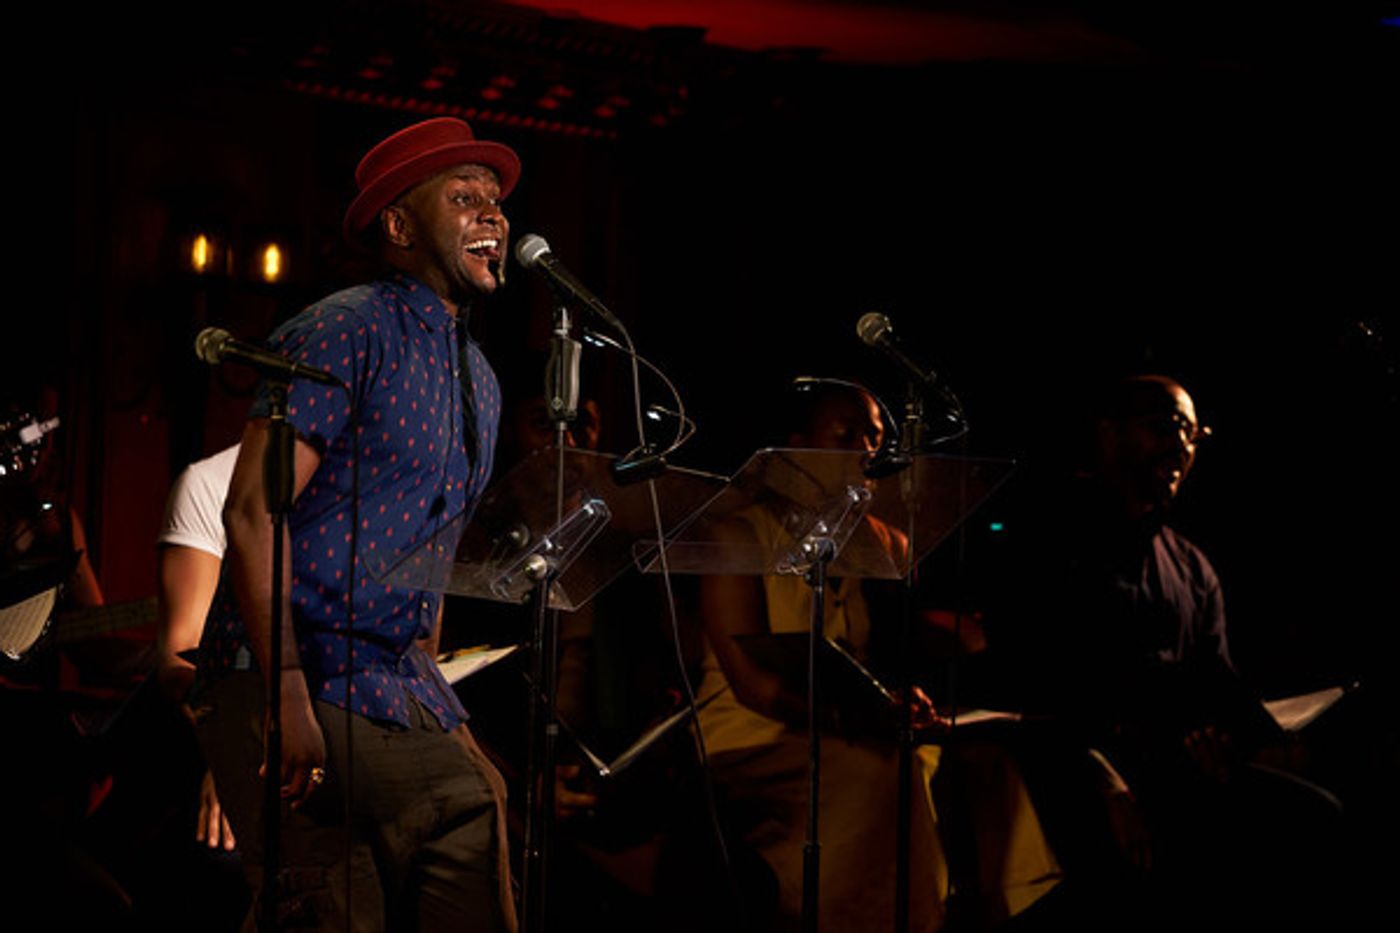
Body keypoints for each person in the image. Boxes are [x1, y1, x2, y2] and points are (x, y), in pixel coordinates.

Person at [193, 117, 519, 932]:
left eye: (497, 200)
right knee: (328, 904)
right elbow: (249, 509)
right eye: (464, 197)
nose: (493, 214)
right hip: (298, 669)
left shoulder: (479, 377)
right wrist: (287, 694)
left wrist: (442, 701)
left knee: (479, 805)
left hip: (396, 684)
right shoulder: (345, 327)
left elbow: (429, 557)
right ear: (401, 227)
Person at [988, 374, 1350, 930]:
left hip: (1171, 770)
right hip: (1073, 767)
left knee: (1314, 817)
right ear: (1108, 434)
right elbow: (1027, 684)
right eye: (1167, 426)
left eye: (1192, 433)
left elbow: (1215, 682)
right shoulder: (1049, 540)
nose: (1182, 446)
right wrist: (1103, 777)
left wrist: (1235, 736)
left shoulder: (1190, 564)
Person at [697, 379, 1059, 932]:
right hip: (754, 734)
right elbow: (755, 687)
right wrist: (861, 720)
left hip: (853, 724)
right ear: (795, 447)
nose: (867, 450)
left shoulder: (880, 543)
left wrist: (901, 702)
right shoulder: (736, 536)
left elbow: (879, 660)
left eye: (876, 436)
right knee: (885, 772)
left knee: (985, 763)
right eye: (846, 435)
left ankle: (976, 911)